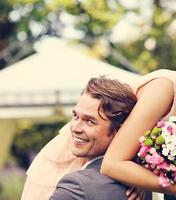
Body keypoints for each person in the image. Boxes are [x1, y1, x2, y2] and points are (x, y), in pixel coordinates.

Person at [22, 22, 176, 199]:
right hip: (82, 161)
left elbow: (156, 161)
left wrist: (141, 178)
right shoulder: (165, 88)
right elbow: (112, 163)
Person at [21, 76, 149, 199]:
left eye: (89, 121)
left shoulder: (76, 187)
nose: (75, 128)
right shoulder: (143, 180)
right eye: (76, 116)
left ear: (119, 130)